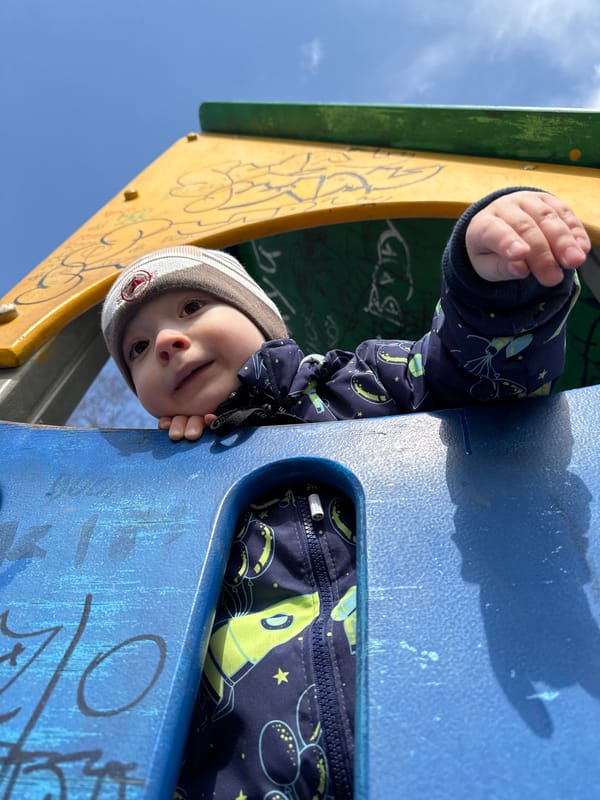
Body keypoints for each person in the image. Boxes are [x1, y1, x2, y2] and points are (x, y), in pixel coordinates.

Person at [101, 188, 590, 799]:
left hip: (433, 720)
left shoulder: (361, 384)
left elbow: (480, 376)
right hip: (245, 775)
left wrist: (492, 290)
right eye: (137, 349)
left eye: (192, 306)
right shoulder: (166, 491)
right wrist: (163, 477)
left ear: (261, 319)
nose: (167, 342)